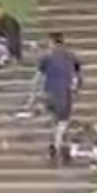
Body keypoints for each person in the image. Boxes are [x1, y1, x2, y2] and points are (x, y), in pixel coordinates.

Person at [30, 31, 83, 163]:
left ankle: (59, 146)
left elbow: (38, 78)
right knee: (62, 122)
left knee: (56, 121)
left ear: (52, 43)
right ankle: (57, 146)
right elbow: (77, 74)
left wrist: (34, 95)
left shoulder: (47, 57)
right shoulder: (71, 56)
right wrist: (75, 88)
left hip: (50, 92)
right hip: (64, 93)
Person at [0, 0, 23, 64]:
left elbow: (12, 39)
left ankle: (4, 58)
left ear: (1, 9)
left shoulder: (9, 22)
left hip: (9, 49)